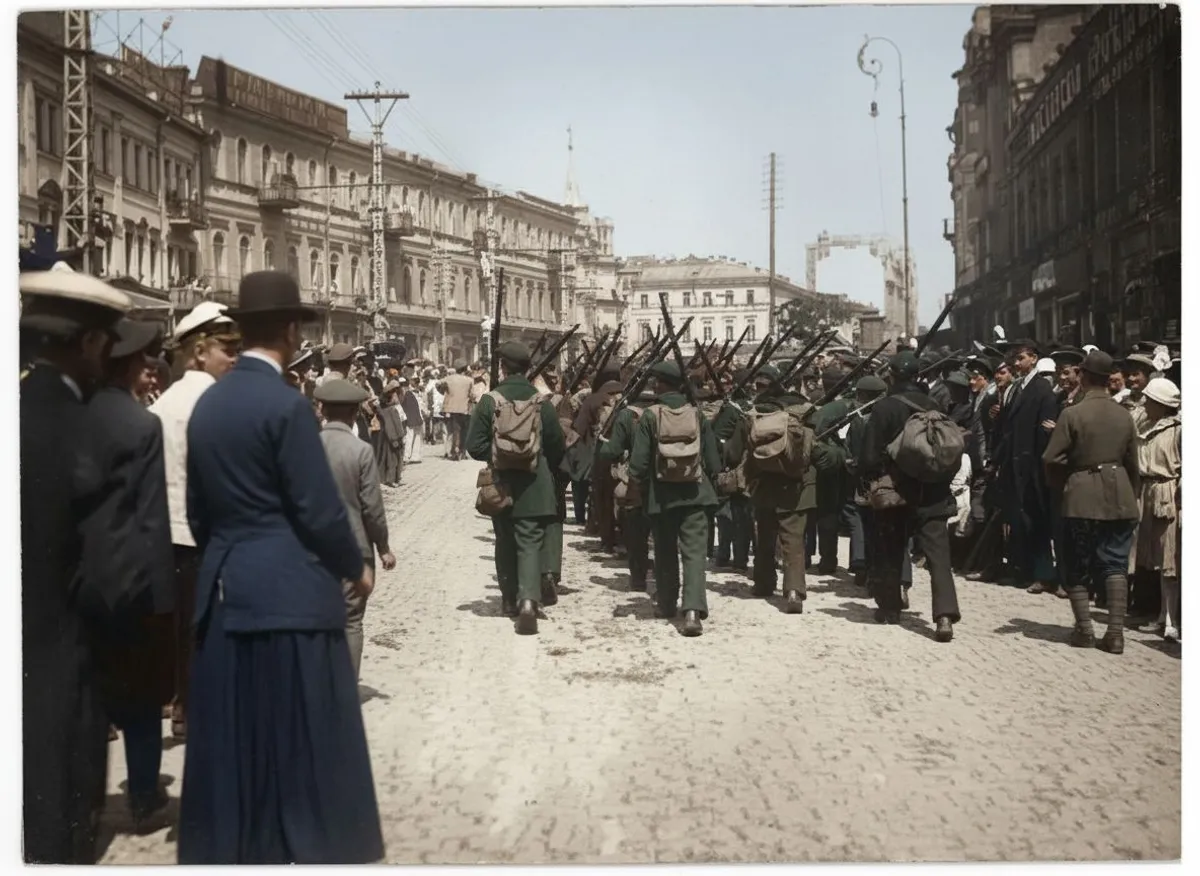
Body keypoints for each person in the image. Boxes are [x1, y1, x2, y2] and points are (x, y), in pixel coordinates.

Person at [178, 271, 383, 864]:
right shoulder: (289, 407)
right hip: (293, 599)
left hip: (226, 593)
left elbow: (197, 512)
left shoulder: (210, 403)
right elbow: (319, 510)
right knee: (306, 742)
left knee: (241, 741)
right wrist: (355, 566)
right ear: (292, 330)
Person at [20, 266, 131, 863]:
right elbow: (102, 567)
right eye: (107, 346)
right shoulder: (80, 432)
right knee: (60, 817)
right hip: (65, 654)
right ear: (88, 344)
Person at [85, 317, 175, 832]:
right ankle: (143, 794)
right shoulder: (142, 426)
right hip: (134, 583)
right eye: (143, 361)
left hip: (82, 583)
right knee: (141, 701)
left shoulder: (77, 415)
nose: (150, 369)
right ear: (129, 366)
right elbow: (150, 517)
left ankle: (86, 798)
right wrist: (161, 601)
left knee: (92, 698)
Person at [149, 301, 241, 740]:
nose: (234, 357)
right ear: (200, 350)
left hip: (167, 530)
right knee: (207, 624)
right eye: (227, 347)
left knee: (180, 621)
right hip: (207, 531)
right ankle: (197, 705)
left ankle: (179, 702)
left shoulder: (162, 404)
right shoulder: (217, 401)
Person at [1042, 350, 1141, 655]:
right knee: (1115, 564)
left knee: (1076, 563)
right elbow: (1133, 463)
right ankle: (1115, 634)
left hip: (1081, 497)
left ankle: (1084, 630)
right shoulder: (1124, 414)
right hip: (1119, 495)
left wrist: (1064, 487)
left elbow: (1051, 458)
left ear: (1083, 377)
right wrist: (1129, 492)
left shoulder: (1072, 414)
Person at [860, 351, 960, 642]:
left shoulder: (884, 408)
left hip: (896, 490)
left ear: (891, 374)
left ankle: (890, 608)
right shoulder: (935, 405)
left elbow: (867, 456)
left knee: (891, 548)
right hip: (933, 491)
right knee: (939, 556)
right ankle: (944, 616)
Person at [467, 341, 566, 633]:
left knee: (505, 540)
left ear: (502, 367)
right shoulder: (542, 402)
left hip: (502, 483)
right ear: (527, 369)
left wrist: (500, 456)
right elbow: (557, 446)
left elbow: (474, 446)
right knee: (530, 542)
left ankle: (509, 600)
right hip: (536, 484)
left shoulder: (490, 401)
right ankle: (528, 602)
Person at [629, 360, 721, 636]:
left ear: (658, 384)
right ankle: (692, 611)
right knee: (694, 554)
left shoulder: (650, 415)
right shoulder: (697, 414)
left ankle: (667, 604)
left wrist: (639, 491)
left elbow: (638, 465)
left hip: (663, 495)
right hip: (696, 493)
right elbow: (714, 463)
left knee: (665, 551)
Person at [314, 378, 397, 679]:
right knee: (351, 621)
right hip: (353, 551)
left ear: (321, 410)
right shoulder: (361, 451)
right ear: (353, 414)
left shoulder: (304, 447)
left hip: (312, 552)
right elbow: (372, 509)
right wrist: (384, 548)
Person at [1129, 378, 1181, 641]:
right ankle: (1158, 613)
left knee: (1170, 559)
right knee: (1152, 557)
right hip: (1146, 492)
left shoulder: (1178, 429)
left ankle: (1170, 618)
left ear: (1162, 405)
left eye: (1150, 401)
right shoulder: (1144, 424)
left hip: (1168, 494)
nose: (1145, 404)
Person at [440, 364, 473, 460]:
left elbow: (438, 384)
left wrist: (445, 391)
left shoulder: (449, 378)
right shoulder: (469, 380)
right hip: (465, 408)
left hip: (452, 408)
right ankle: (462, 451)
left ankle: (455, 451)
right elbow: (472, 394)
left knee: (455, 430)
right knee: (464, 431)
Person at [399, 376, 424, 462]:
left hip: (410, 419)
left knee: (409, 438)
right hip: (416, 418)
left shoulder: (404, 394)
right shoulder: (410, 393)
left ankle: (406, 456)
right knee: (416, 437)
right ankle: (415, 456)